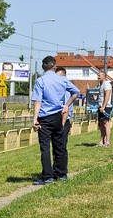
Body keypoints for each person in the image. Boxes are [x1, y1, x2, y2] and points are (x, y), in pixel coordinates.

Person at [31, 56, 78, 185]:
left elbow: (38, 101)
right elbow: (76, 92)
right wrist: (67, 104)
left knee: (45, 147)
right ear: (54, 66)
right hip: (58, 116)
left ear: (43, 67)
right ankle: (61, 173)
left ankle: (47, 176)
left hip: (44, 117)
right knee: (59, 145)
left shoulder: (40, 81)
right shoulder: (62, 80)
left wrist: (35, 119)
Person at [55, 66, 74, 177]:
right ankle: (57, 169)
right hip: (58, 121)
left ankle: (61, 172)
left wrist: (61, 125)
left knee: (61, 147)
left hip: (63, 121)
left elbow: (65, 109)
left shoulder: (66, 90)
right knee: (58, 146)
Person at [96, 70, 113, 146]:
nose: (98, 77)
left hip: (106, 107)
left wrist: (103, 106)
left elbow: (107, 95)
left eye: (100, 75)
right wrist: (96, 98)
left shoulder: (106, 84)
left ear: (104, 76)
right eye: (98, 75)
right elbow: (102, 96)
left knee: (106, 124)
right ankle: (102, 141)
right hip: (101, 106)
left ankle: (107, 142)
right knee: (101, 124)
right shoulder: (101, 85)